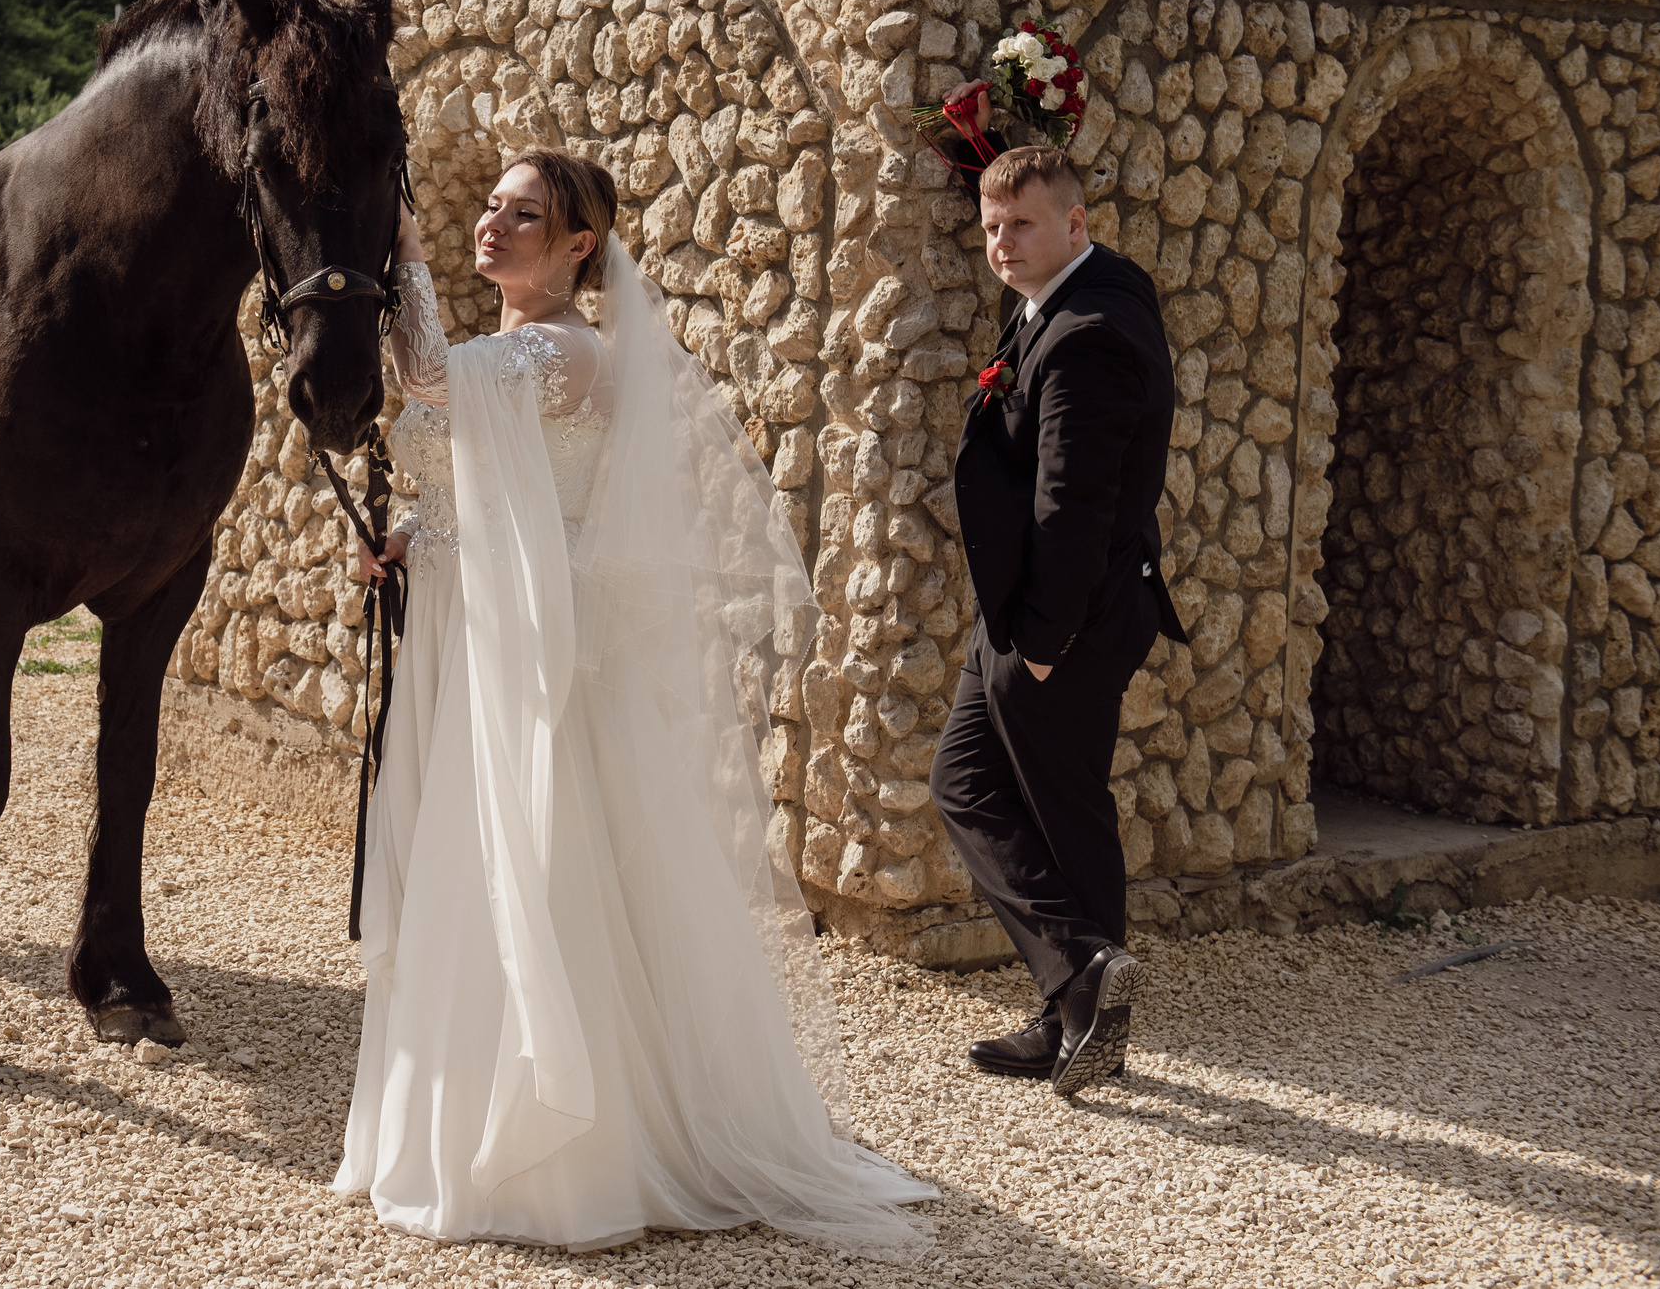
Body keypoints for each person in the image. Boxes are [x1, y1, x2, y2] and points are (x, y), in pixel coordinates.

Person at [334, 150, 936, 1254]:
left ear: (578, 246)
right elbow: (475, 477)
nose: (493, 225)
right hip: (468, 625)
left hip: (528, 638)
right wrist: (413, 535)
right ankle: (456, 1110)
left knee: (533, 842)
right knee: (471, 843)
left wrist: (403, 252)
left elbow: (424, 380)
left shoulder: (563, 350)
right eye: (491, 209)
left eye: (525, 215)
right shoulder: (513, 351)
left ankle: (572, 1143)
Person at [930, 145, 1186, 1097]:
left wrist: (1041, 641)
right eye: (992, 227)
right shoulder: (1085, 293)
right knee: (971, 781)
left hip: (1059, 621)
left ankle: (1078, 993)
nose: (1002, 243)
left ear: (1075, 223)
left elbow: (1072, 505)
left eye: (1022, 224)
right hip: (1026, 611)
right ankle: (1076, 987)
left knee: (1061, 807)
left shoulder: (1089, 331)